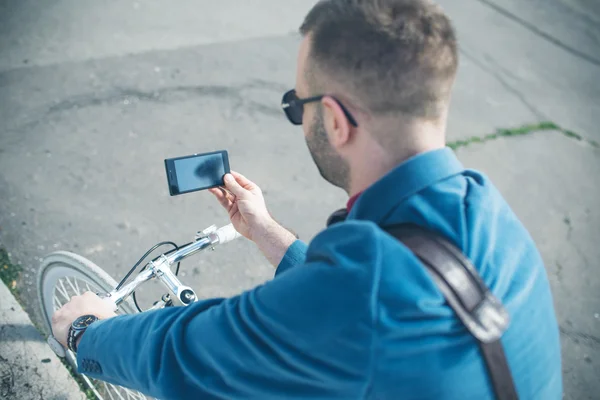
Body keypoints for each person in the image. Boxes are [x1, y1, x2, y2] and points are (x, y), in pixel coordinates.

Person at [51, 0, 562, 398]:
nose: (299, 118)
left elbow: (194, 356)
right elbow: (357, 308)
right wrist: (267, 232)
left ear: (336, 120)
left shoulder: (364, 284)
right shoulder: (490, 214)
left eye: (297, 105)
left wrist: (87, 332)